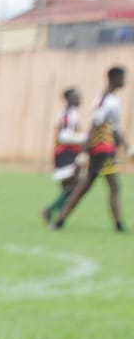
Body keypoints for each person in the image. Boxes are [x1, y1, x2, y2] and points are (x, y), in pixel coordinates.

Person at [53, 66, 126, 232]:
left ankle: (60, 220)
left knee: (84, 186)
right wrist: (84, 151)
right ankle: (119, 225)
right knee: (113, 185)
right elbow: (95, 124)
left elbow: (113, 127)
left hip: (106, 148)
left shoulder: (113, 100)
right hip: (101, 150)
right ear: (114, 78)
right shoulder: (104, 100)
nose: (125, 81)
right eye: (123, 77)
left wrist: (125, 145)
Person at [43, 86, 88, 226]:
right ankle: (51, 210)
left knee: (69, 186)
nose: (79, 98)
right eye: (76, 96)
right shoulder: (69, 114)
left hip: (66, 152)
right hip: (67, 153)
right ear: (68, 99)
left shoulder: (67, 113)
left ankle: (59, 217)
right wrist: (84, 139)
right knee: (74, 185)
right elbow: (64, 136)